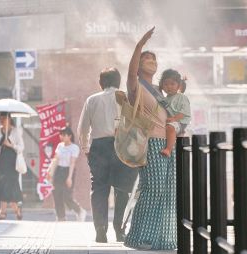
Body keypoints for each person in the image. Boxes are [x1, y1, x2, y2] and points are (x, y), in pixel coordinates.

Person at [124, 27, 177, 250]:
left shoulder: (159, 89)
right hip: (150, 142)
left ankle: (162, 239)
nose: (151, 61)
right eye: (146, 58)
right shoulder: (135, 86)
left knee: (168, 191)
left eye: (153, 59)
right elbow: (130, 72)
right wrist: (139, 46)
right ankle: (138, 236)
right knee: (152, 189)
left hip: (167, 144)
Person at [77, 67, 138, 243]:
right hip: (123, 146)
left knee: (99, 189)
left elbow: (83, 128)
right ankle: (119, 230)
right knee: (123, 190)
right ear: (119, 82)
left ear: (101, 83)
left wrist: (86, 148)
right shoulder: (126, 98)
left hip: (99, 146)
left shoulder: (92, 100)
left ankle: (100, 229)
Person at [46, 126, 86, 222]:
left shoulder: (74, 148)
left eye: (63, 135)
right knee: (57, 194)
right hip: (58, 171)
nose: (61, 137)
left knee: (66, 196)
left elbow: (72, 163)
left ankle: (79, 211)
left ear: (69, 136)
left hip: (69, 171)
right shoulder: (60, 146)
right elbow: (55, 159)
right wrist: (50, 171)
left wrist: (69, 177)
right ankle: (61, 217)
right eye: (61, 135)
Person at [0, 112, 24, 220]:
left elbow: (21, 147)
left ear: (9, 119)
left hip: (13, 163)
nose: (1, 120)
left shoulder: (16, 131)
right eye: (0, 118)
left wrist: (10, 144)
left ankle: (6, 211)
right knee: (3, 185)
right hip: (2, 162)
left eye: (3, 118)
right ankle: (13, 211)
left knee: (10, 186)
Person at [159, 69, 191, 157]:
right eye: (166, 84)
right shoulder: (165, 99)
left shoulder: (181, 97)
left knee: (170, 127)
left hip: (181, 122)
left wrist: (174, 119)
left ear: (178, 86)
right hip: (173, 122)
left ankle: (168, 149)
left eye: (172, 84)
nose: (169, 86)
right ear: (162, 86)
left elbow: (183, 112)